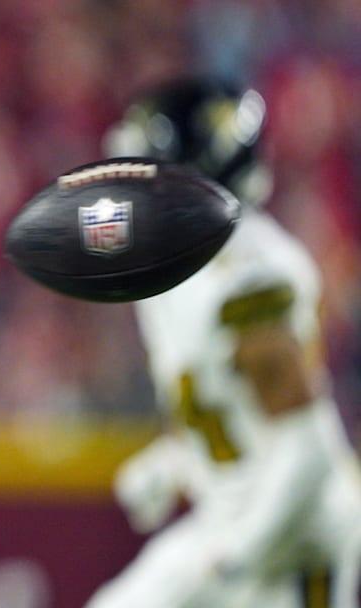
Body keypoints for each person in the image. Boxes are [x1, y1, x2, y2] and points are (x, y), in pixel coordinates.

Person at [86, 76, 361, 608]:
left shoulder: (245, 279)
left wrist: (245, 545)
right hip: (229, 520)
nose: (131, 186)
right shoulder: (176, 269)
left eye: (147, 169)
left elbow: (307, 444)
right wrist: (173, 464)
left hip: (297, 534)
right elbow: (236, 417)